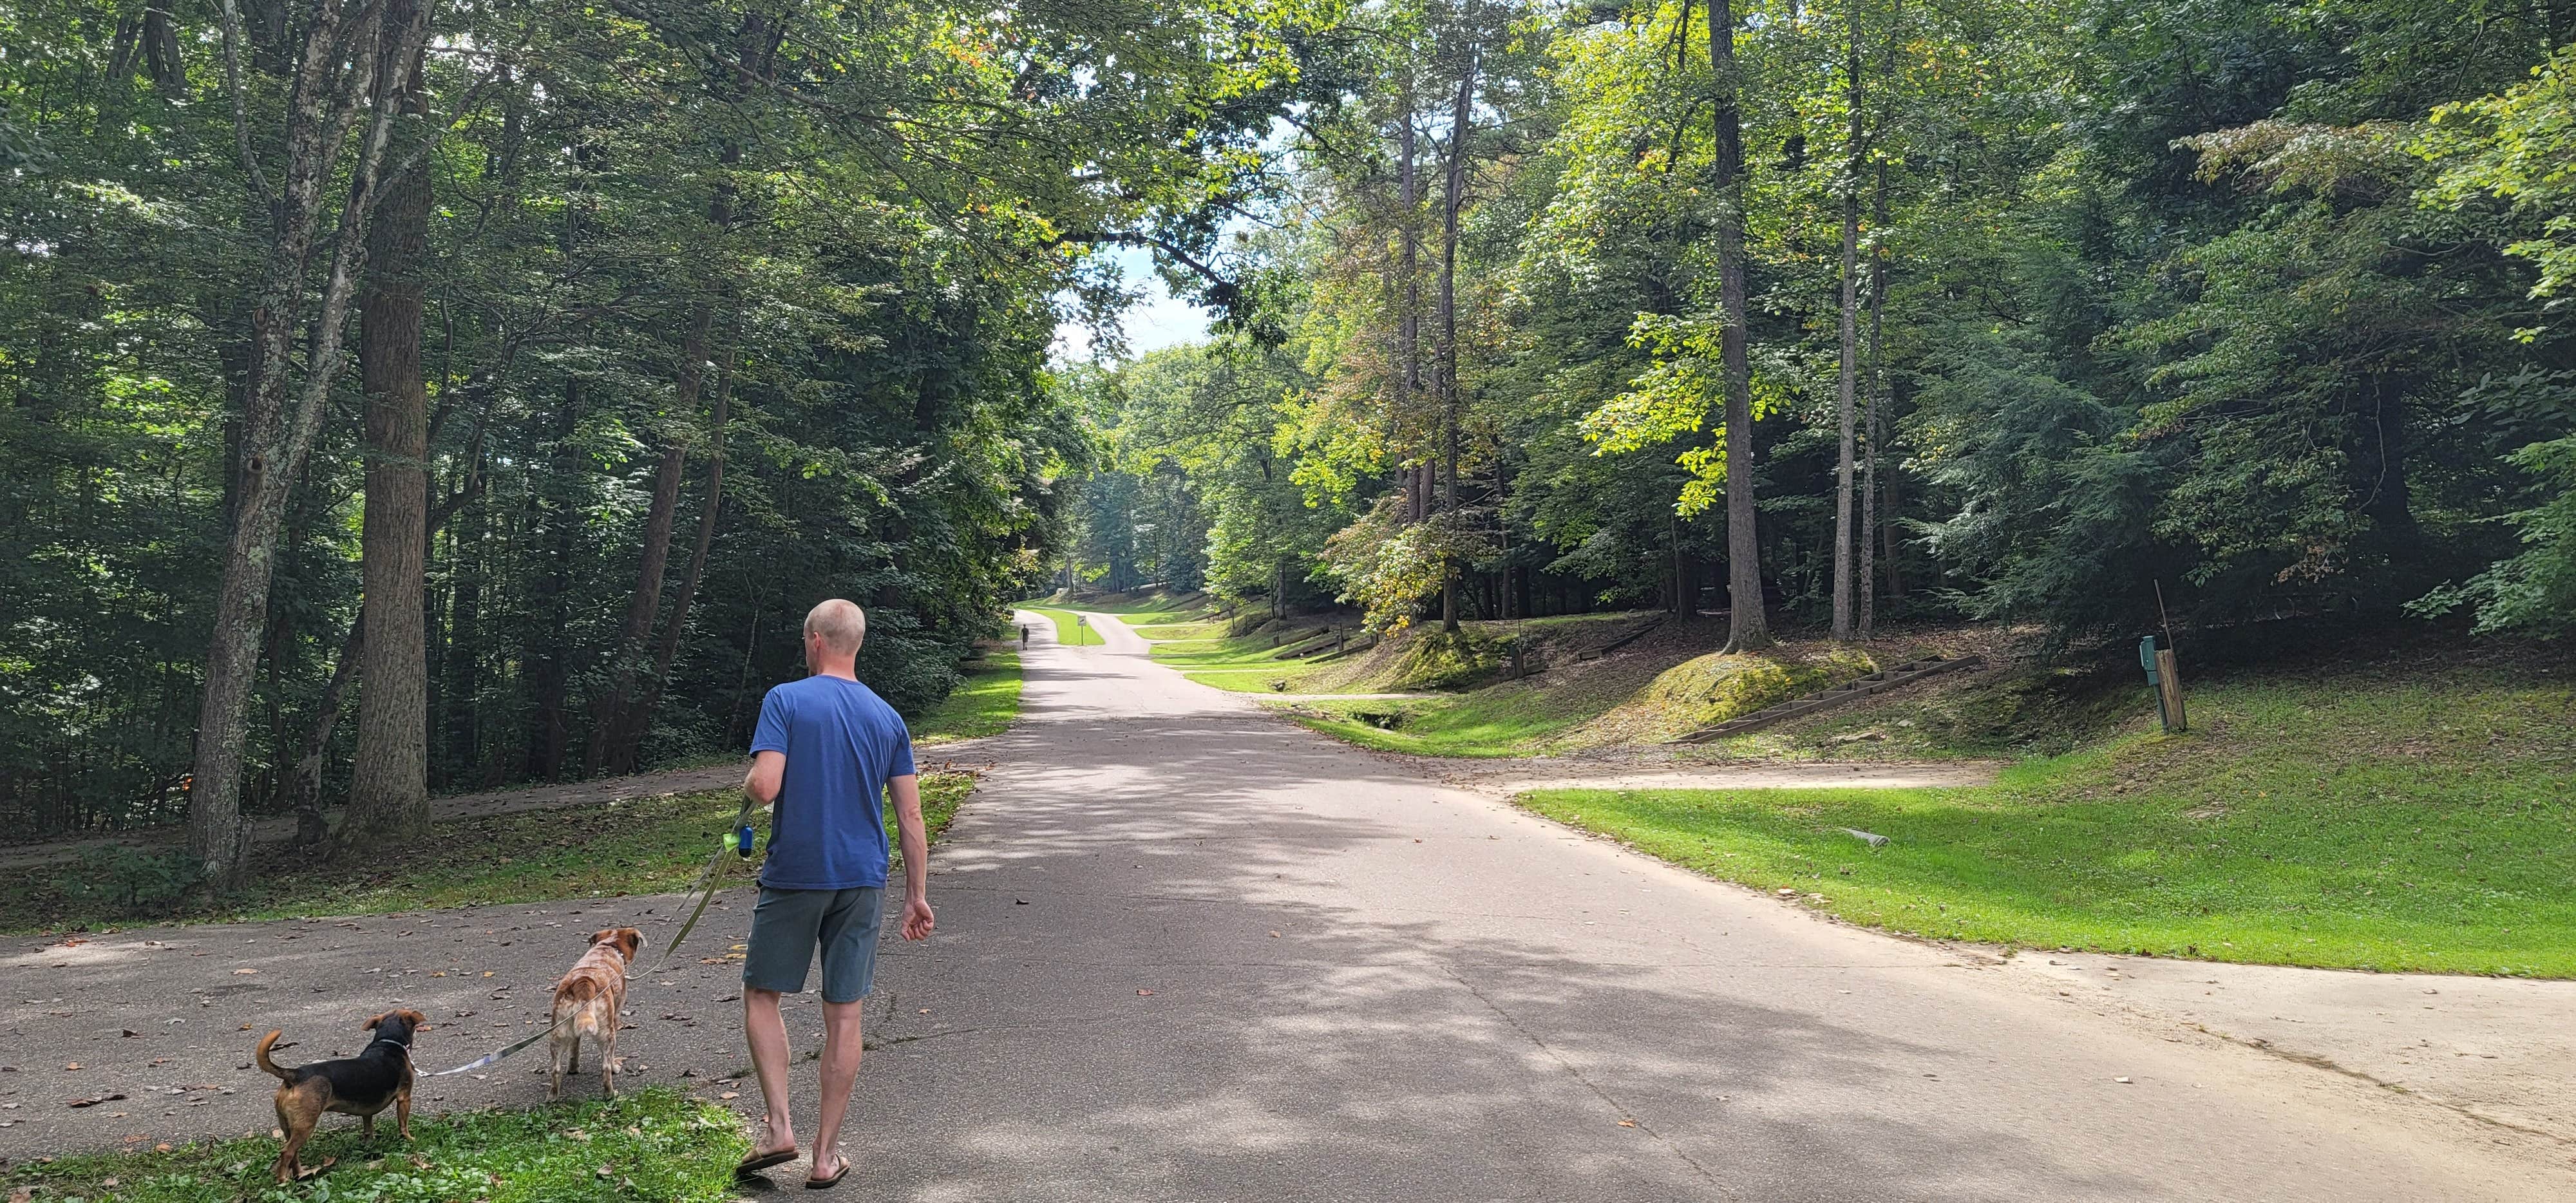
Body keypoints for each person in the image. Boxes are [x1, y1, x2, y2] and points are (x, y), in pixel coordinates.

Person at [734, 598, 934, 1188]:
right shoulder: (887, 717)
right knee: (845, 1014)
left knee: (762, 995)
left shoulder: (786, 700)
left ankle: (778, 1127)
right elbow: (912, 815)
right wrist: (916, 894)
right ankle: (825, 1157)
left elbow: (765, 787)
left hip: (797, 873)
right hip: (863, 878)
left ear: (816, 641)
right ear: (856, 644)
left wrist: (747, 784)